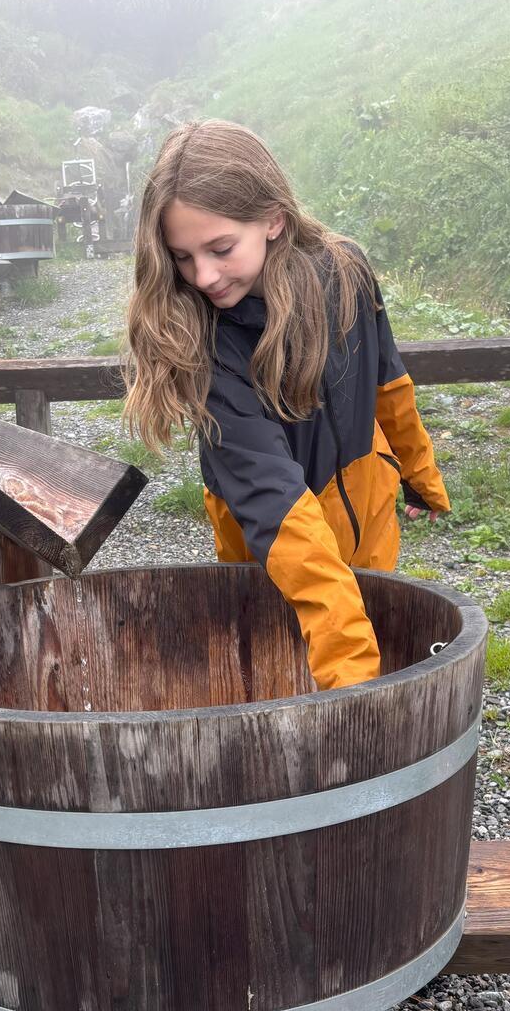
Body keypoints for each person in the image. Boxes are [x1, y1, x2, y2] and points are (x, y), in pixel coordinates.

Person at [123, 120, 451, 690]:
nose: (202, 276)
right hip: (270, 545)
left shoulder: (347, 269)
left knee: (368, 617)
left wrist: (421, 478)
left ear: (274, 219)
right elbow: (272, 500)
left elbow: (388, 382)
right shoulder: (206, 346)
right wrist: (351, 684)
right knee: (279, 675)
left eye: (221, 248)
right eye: (181, 257)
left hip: (368, 507)